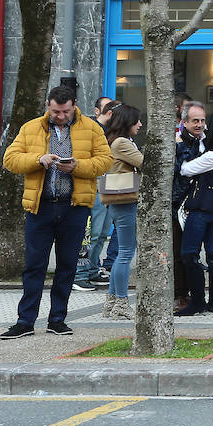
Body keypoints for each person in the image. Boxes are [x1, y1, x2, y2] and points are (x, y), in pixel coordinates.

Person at [0, 85, 113, 339]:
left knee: (67, 265)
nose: (59, 116)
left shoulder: (92, 128)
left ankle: (58, 319)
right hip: (39, 206)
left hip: (74, 206)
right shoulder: (31, 128)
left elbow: (106, 161)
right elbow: (10, 159)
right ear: (47, 107)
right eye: (54, 111)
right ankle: (25, 321)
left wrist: (77, 166)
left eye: (63, 111)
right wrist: (37, 160)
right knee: (34, 266)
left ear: (74, 105)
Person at [176, 112, 213, 316]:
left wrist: (180, 145)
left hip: (201, 209)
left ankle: (198, 302)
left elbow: (185, 170)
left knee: (189, 253)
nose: (204, 128)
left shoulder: (211, 156)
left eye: (207, 125)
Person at [99, 104, 144, 320]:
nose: (140, 125)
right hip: (125, 200)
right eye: (137, 121)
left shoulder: (115, 141)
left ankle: (112, 302)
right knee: (125, 253)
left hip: (120, 201)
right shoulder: (122, 143)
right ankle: (122, 303)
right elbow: (145, 163)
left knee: (122, 253)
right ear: (127, 122)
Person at [72, 98, 120, 292]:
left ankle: (92, 269)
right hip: (95, 186)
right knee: (89, 233)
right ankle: (79, 273)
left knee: (101, 233)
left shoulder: (114, 133)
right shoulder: (91, 130)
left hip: (109, 186)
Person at [173, 102, 208, 309]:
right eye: (195, 121)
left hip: (198, 205)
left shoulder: (205, 142)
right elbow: (180, 171)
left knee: (193, 253)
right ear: (184, 122)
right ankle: (179, 295)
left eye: (203, 120)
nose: (200, 124)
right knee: (179, 253)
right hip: (178, 205)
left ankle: (195, 294)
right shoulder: (179, 143)